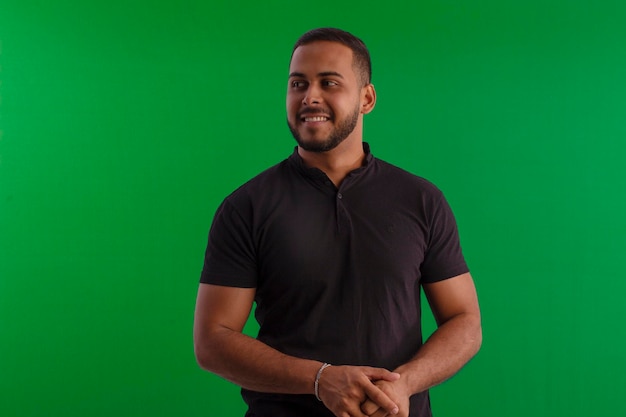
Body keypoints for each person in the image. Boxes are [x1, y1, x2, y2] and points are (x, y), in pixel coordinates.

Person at [193, 27, 482, 417]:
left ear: (367, 98)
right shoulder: (247, 206)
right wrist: (320, 379)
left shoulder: (421, 200)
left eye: (329, 82)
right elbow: (212, 341)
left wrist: (406, 384)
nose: (310, 96)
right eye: (298, 83)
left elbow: (464, 321)